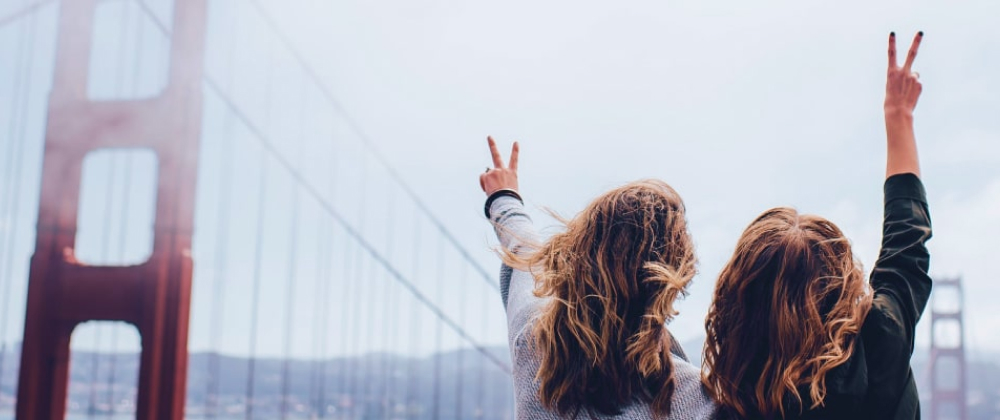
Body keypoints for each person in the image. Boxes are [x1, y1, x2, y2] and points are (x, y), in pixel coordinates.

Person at [701, 31, 932, 420]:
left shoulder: (734, 403)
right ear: (841, 281)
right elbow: (907, 243)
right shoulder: (882, 339)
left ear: (739, 303)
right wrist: (899, 116)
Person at [479, 137, 717, 419]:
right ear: (673, 280)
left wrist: (503, 196)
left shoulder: (532, 340)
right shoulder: (701, 401)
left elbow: (524, 250)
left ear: (578, 252)